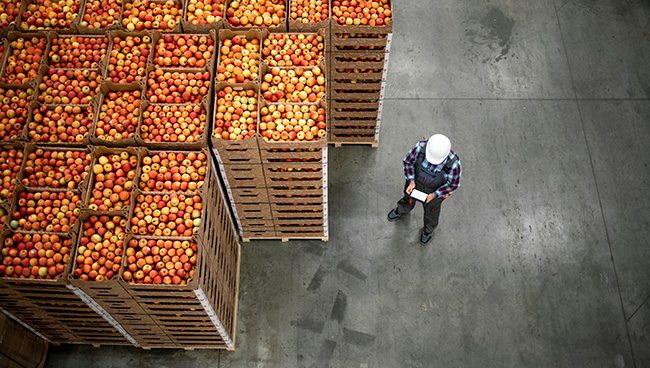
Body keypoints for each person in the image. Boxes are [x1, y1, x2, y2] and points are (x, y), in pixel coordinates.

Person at [387, 134, 462, 244]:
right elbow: (408, 163)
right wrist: (411, 181)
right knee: (408, 198)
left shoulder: (454, 164)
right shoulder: (420, 147)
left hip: (435, 192)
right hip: (415, 183)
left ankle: (428, 230)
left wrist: (435, 194)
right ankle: (402, 208)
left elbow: (452, 185)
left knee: (432, 211)